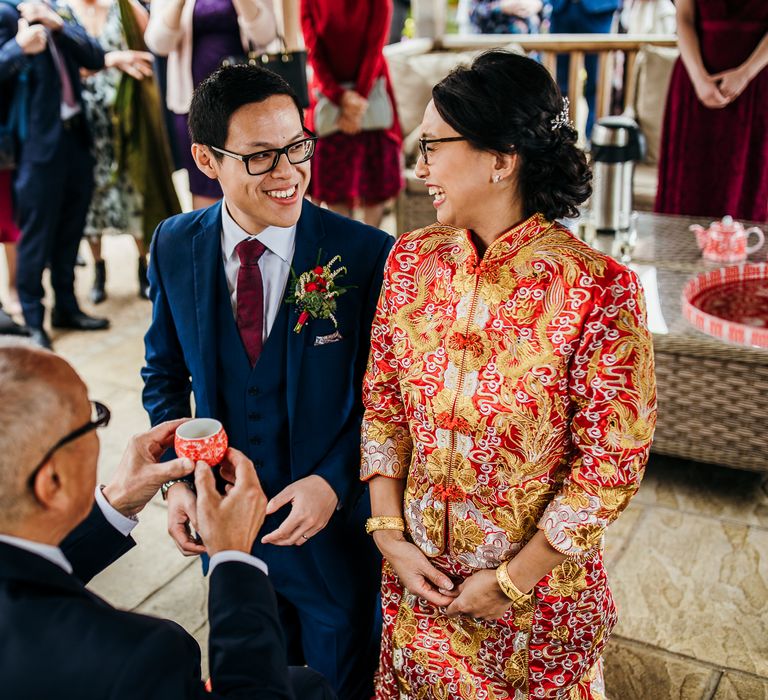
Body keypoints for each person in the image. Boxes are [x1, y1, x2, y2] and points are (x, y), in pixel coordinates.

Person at [361, 50, 657, 699]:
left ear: (502, 157)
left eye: (434, 146)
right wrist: (388, 535)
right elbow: (384, 404)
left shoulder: (599, 290)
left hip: (534, 610)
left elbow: (610, 463)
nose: (420, 168)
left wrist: (513, 579)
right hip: (419, 595)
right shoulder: (411, 261)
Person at [142, 64, 392, 700]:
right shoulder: (174, 243)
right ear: (206, 158)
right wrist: (178, 483)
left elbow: (389, 400)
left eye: (297, 146)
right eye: (260, 156)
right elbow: (165, 374)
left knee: (339, 677)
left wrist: (334, 484)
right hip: (224, 529)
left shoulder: (366, 255)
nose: (289, 173)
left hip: (329, 538)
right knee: (247, 673)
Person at [0, 340, 335, 700]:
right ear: (52, 481)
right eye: (91, 418)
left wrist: (115, 502)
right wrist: (233, 557)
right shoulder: (135, 660)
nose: (98, 429)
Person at [0, 0, 110, 350]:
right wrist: (18, 46)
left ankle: (67, 305)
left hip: (75, 136)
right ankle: (34, 319)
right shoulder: (5, 11)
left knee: (71, 228)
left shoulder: (54, 8)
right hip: (34, 145)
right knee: (35, 235)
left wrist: (57, 25)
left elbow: (96, 57)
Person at [71, 0, 179, 304]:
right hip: (88, 122)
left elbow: (153, 48)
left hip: (128, 119)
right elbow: (64, 67)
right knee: (94, 200)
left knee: (134, 192)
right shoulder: (65, 13)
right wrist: (112, 60)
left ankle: (143, 267)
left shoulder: (124, 7)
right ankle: (99, 269)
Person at [144, 0, 276, 210]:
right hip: (192, 104)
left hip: (246, 101)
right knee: (204, 183)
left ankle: (252, 241)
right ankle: (210, 241)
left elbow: (266, 34)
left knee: (253, 176)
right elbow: (158, 44)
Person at [655, 0, 768, 221]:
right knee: (690, 184)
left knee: (751, 185)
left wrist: (745, 74)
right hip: (696, 80)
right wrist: (699, 79)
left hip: (758, 82)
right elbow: (684, 18)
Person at [301, 0, 403, 228]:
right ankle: (344, 252)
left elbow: (374, 49)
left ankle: (372, 252)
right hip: (328, 94)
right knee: (333, 188)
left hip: (371, 90)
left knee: (374, 184)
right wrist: (341, 97)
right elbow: (312, 50)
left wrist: (357, 98)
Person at [550, 0, 619, 138]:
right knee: (559, 82)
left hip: (598, 9)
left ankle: (594, 138)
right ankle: (561, 138)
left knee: (597, 81)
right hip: (562, 8)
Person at [469, 0, 544, 35]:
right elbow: (475, 14)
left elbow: (546, 7)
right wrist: (501, 7)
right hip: (494, 52)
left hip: (531, 51)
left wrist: (539, 5)